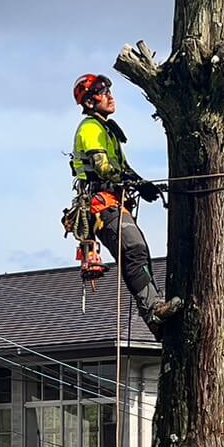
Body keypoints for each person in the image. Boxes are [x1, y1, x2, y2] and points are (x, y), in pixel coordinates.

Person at [67, 73, 182, 325]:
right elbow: (103, 167)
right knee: (133, 250)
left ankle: (156, 316)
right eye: (102, 92)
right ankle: (153, 309)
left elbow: (123, 168)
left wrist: (143, 185)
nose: (110, 96)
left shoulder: (107, 131)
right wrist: (133, 182)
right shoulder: (90, 128)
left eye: (109, 90)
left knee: (140, 252)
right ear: (89, 102)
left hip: (114, 201)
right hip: (101, 203)